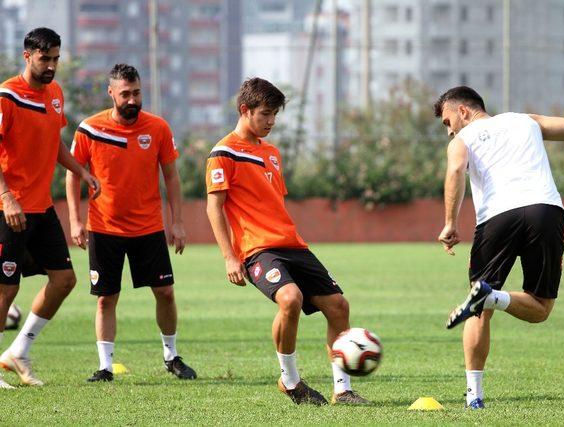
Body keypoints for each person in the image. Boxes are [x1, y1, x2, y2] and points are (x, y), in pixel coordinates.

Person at [434, 86, 564, 409]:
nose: (449, 132)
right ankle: (492, 296)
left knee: (479, 310)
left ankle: (474, 396)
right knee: (541, 308)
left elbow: (456, 169)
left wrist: (450, 222)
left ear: (463, 112)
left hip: (496, 220)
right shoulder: (526, 121)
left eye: (448, 122)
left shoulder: (463, 140)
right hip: (545, 211)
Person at [206, 78, 368, 406]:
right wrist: (229, 256)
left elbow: (274, 202)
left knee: (339, 306)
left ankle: (343, 389)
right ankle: (290, 380)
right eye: (265, 114)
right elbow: (214, 208)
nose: (271, 121)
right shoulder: (222, 153)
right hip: (257, 249)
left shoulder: (272, 153)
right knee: (290, 298)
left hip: (291, 244)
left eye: (275, 115)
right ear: (244, 110)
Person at [66, 64, 196, 382]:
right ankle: (105, 366)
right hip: (104, 227)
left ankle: (171, 356)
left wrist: (177, 221)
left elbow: (172, 177)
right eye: (125, 94)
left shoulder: (158, 128)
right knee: (106, 298)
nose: (132, 100)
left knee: (165, 292)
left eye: (136, 92)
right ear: (111, 93)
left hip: (148, 228)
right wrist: (75, 220)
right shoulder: (89, 129)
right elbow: (72, 174)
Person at [0, 27, 100, 389]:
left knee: (64, 279)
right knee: (5, 291)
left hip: (41, 208)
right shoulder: (7, 96)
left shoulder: (55, 94)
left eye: (56, 58)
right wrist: (7, 198)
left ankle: (18, 352)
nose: (52, 66)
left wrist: (82, 171)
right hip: (8, 210)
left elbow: (54, 142)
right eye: (45, 59)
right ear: (27, 56)